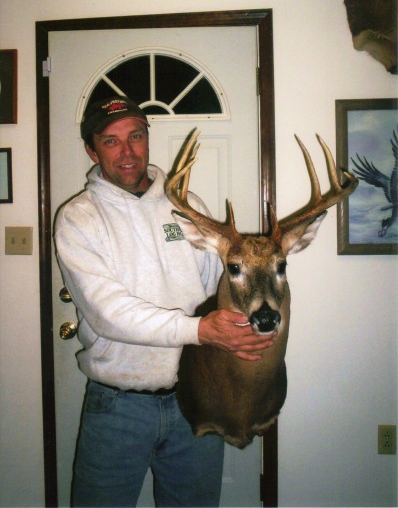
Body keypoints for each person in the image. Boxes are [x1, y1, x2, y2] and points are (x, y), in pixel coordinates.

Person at [54, 96, 276, 508]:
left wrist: (249, 392)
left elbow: (222, 299)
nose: (127, 152)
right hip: (118, 407)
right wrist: (198, 330)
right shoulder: (78, 218)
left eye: (136, 136)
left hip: (197, 399)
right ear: (92, 149)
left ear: (147, 140)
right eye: (111, 141)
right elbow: (108, 313)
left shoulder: (190, 211)